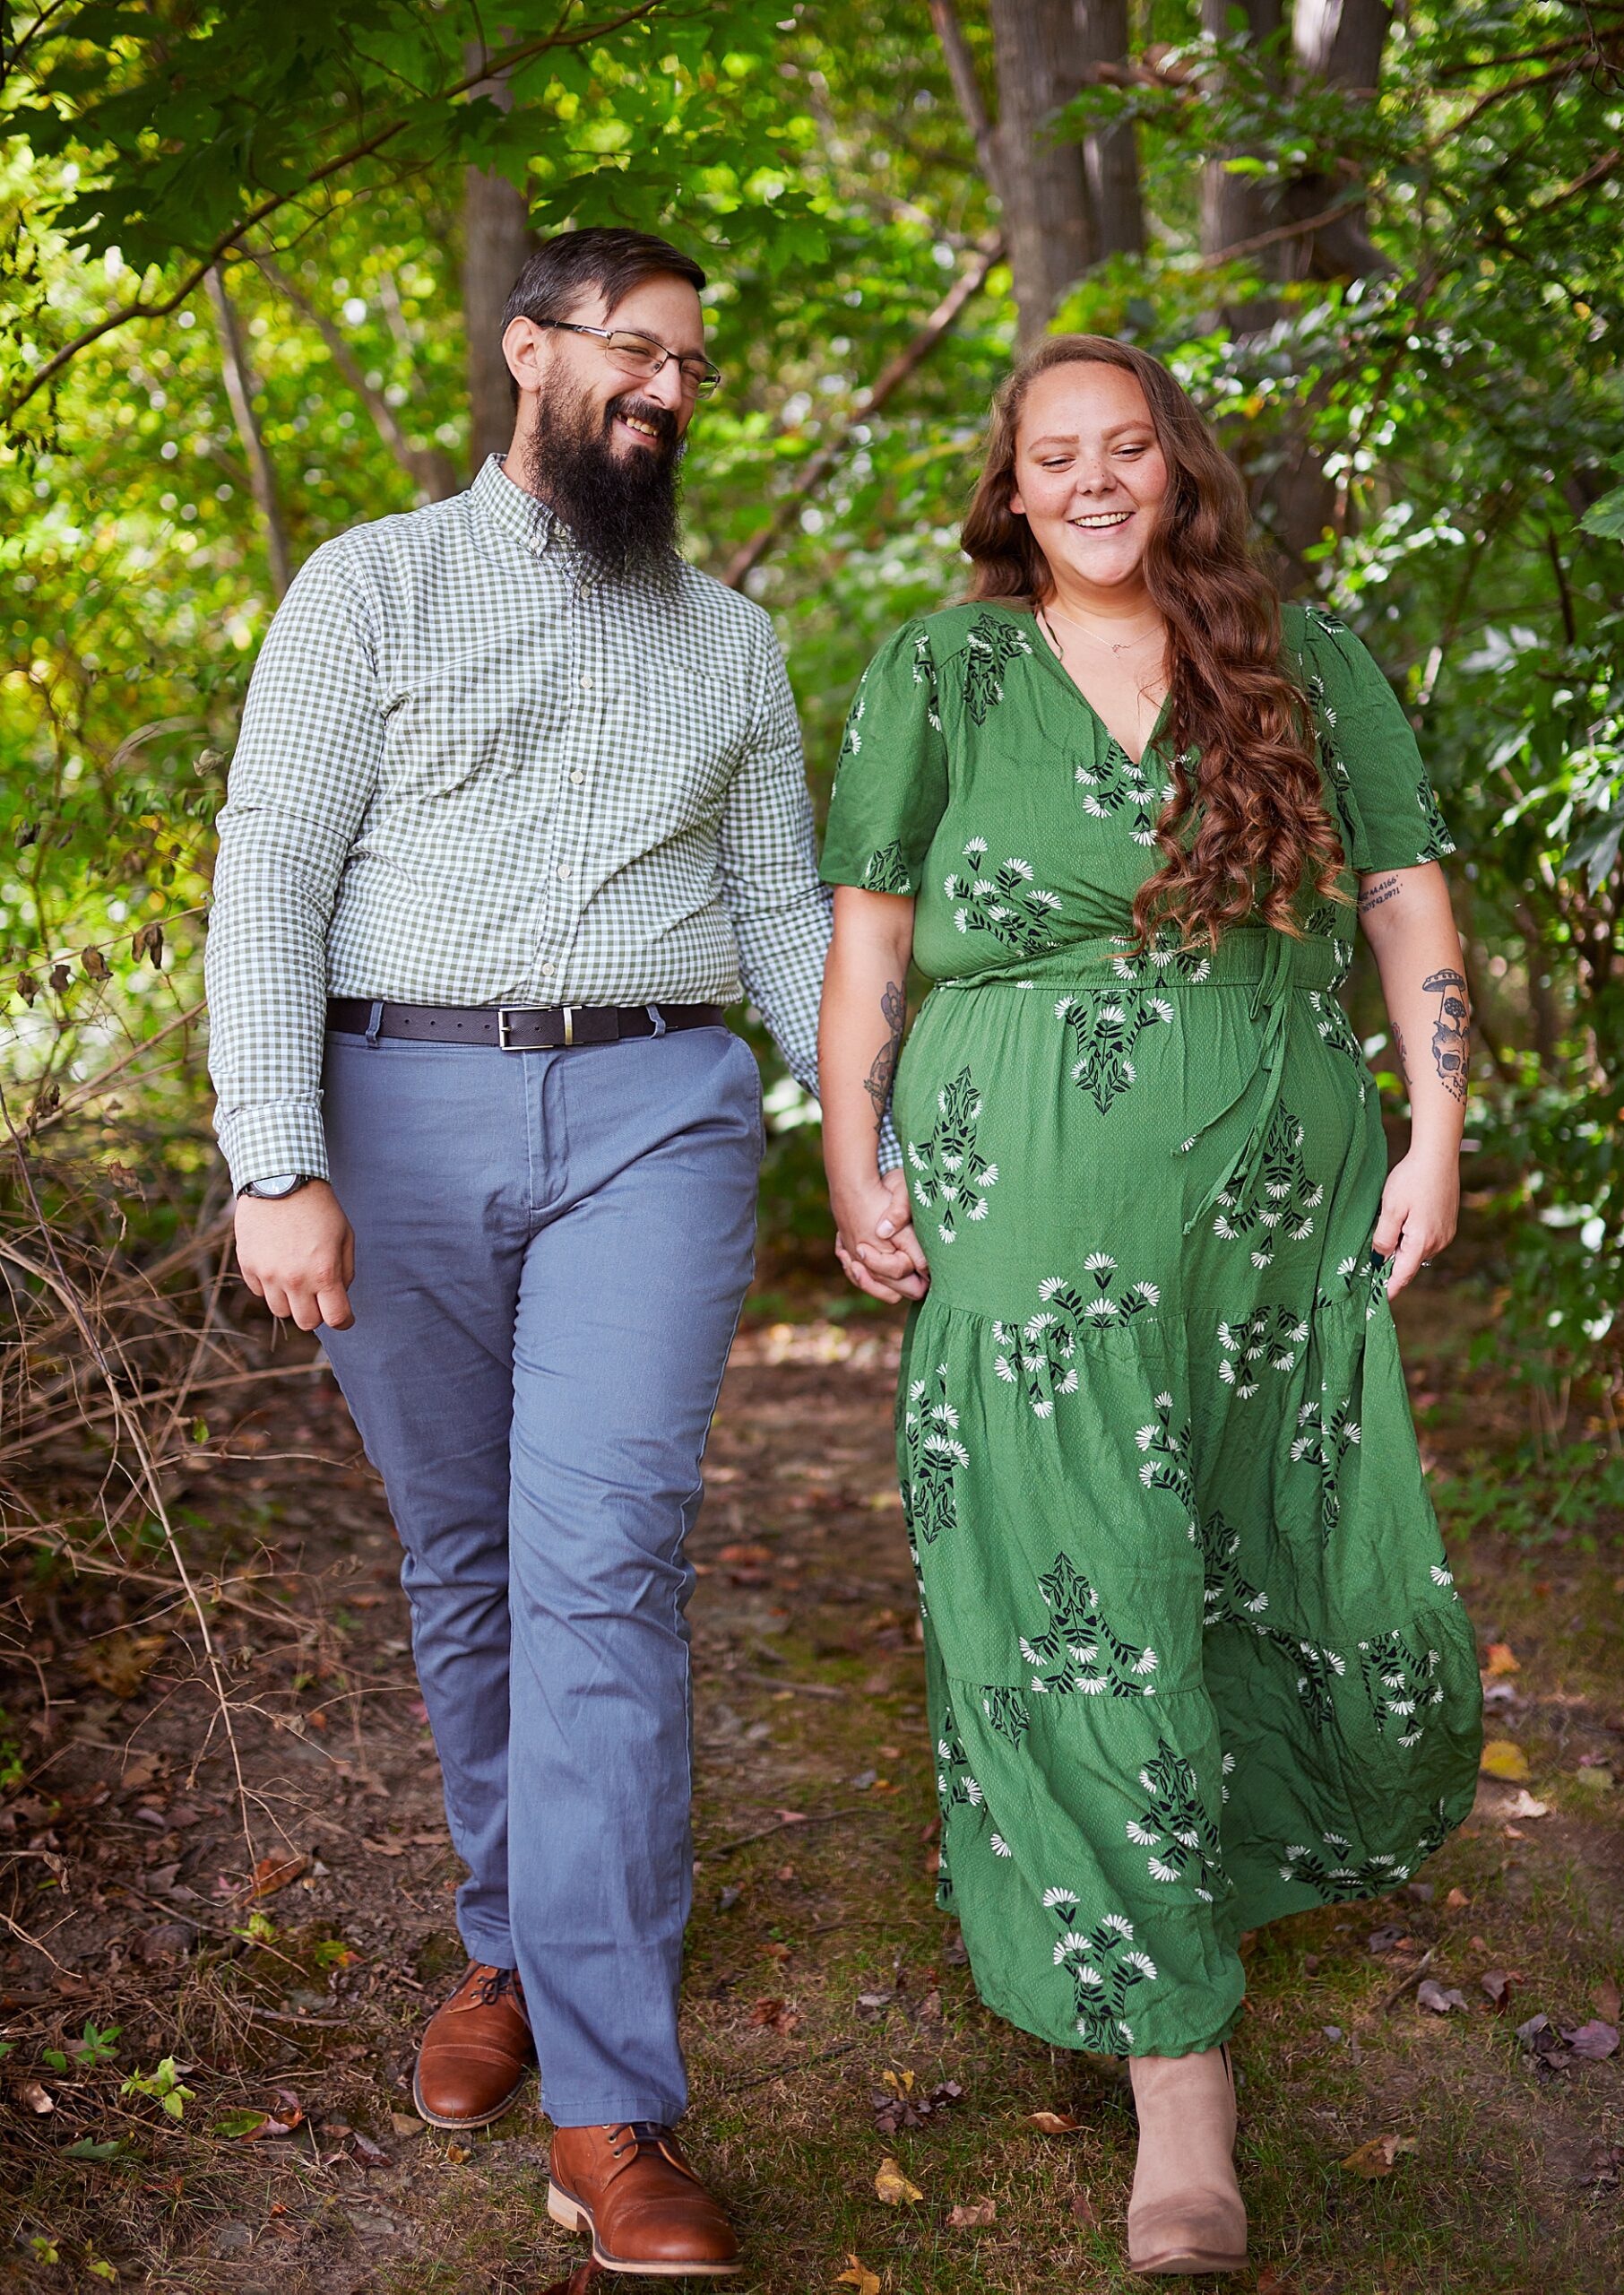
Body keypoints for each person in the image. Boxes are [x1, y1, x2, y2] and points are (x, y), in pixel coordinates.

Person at [206, 226, 842, 2278]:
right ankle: (505, 1945)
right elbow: (274, 870)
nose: (668, 389)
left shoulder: (731, 646)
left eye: (693, 369)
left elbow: (788, 928)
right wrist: (272, 1155)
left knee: (605, 1562)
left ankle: (603, 2095)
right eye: (638, 351)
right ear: (530, 350)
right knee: (466, 1559)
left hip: (656, 1114)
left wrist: (882, 1141)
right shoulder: (369, 585)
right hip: (399, 1113)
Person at [817, 334, 1483, 2276]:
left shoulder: (1302, 655)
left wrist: (1439, 1131)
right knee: (1072, 1571)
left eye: (1125, 449)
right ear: (1009, 489)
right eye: (1053, 457)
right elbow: (868, 938)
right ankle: (1176, 2066)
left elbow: (1406, 901)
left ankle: (1253, 1846)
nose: (1092, 482)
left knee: (1292, 1556)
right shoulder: (938, 671)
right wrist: (856, 1155)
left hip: (1278, 1207)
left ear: (1177, 470)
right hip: (1024, 1219)